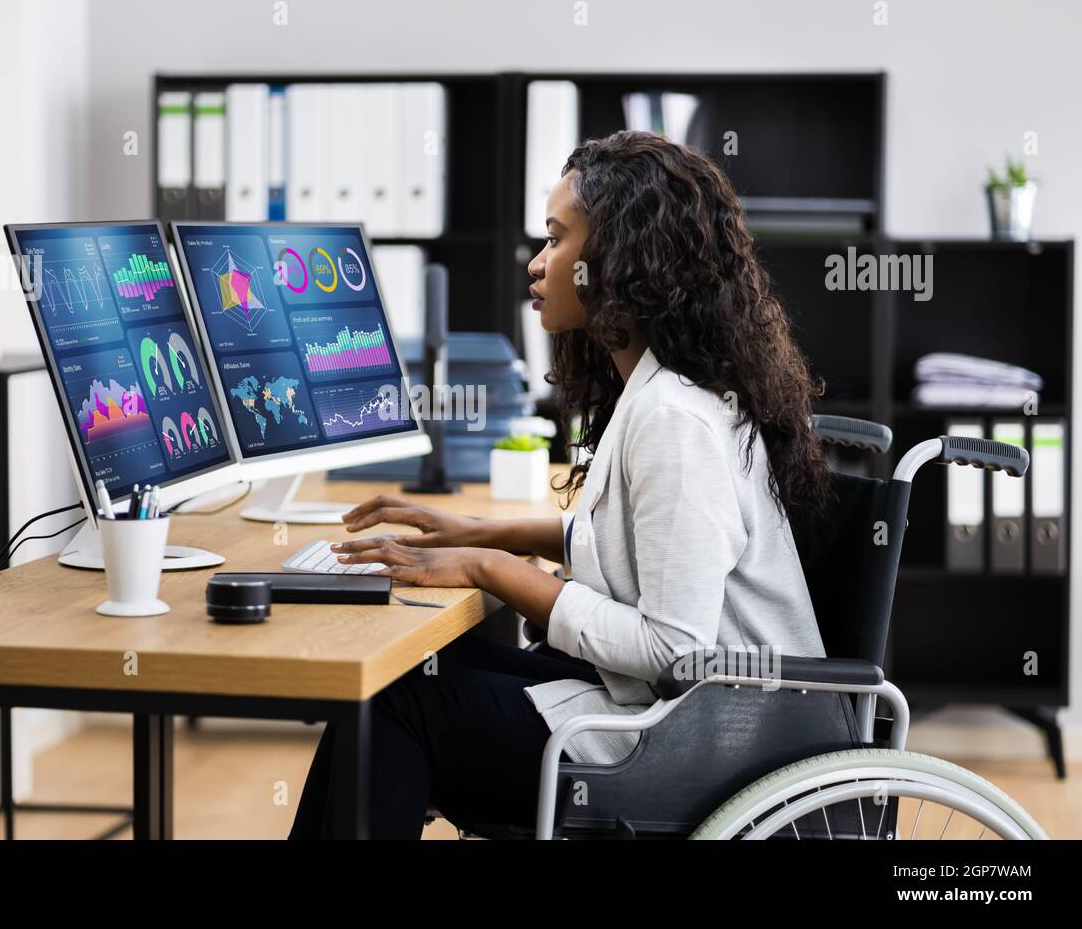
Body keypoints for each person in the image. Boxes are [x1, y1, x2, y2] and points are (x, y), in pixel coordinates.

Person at [289, 129, 832, 839]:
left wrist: (490, 567)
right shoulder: (658, 392)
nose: (538, 265)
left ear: (625, 258)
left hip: (709, 743)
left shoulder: (674, 419)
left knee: (397, 707)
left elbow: (673, 649)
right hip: (672, 711)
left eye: (555, 240)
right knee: (397, 678)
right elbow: (636, 545)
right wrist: (479, 533)